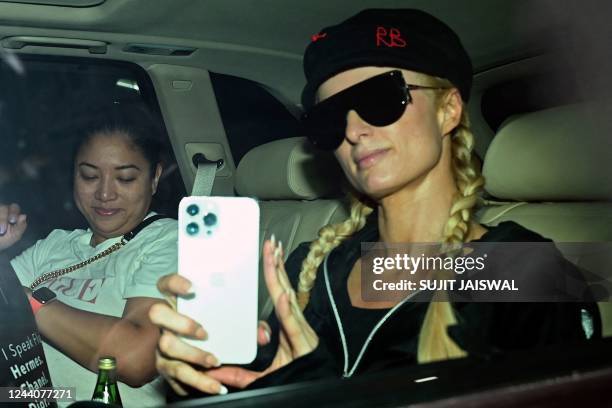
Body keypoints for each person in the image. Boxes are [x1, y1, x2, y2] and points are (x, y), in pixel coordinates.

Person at [149, 9, 597, 398]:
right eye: (331, 117)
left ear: (449, 110)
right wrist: (205, 375)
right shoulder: (316, 266)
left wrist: (316, 387)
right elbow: (258, 383)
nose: (354, 129)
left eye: (379, 99)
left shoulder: (520, 271)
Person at [0, 105, 177, 406]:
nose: (105, 194)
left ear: (155, 177)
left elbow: (134, 359)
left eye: (125, 178)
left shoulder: (168, 241)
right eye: (89, 176)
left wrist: (25, 300)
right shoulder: (55, 245)